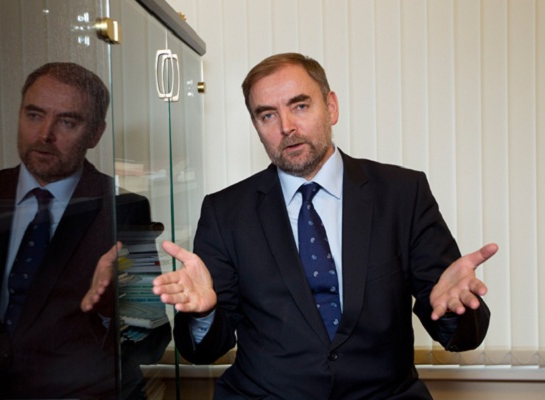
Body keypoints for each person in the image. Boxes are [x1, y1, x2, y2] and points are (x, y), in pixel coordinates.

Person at [152, 53, 498, 399]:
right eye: (268, 115)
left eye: (300, 106)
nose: (287, 126)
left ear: (331, 107)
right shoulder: (225, 212)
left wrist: (454, 310)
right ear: (256, 126)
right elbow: (202, 350)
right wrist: (204, 313)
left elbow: (463, 334)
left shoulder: (403, 194)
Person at [0, 62, 169, 399]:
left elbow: (151, 342)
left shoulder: (125, 209)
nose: (45, 134)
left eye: (67, 122)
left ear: (95, 134)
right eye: (34, 115)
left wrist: (111, 311)